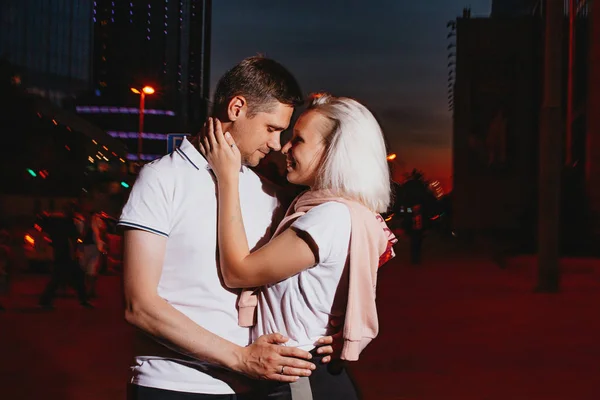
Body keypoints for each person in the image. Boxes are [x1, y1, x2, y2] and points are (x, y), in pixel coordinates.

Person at [120, 57, 335, 400]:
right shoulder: (162, 178)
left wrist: (323, 328)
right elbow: (139, 305)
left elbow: (286, 285)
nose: (277, 145)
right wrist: (240, 358)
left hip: (249, 388)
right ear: (237, 107)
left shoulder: (270, 193)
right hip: (172, 385)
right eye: (271, 128)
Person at [200, 93, 398, 399]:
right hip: (305, 374)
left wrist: (227, 179)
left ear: (335, 152)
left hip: (298, 380)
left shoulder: (329, 216)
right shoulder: (342, 210)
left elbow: (238, 273)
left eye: (298, 140)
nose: (284, 148)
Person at [39, 202, 92, 309]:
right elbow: (74, 237)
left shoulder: (59, 221)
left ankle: (82, 299)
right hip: (65, 253)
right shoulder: (65, 222)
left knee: (64, 277)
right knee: (65, 277)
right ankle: (46, 300)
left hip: (62, 252)